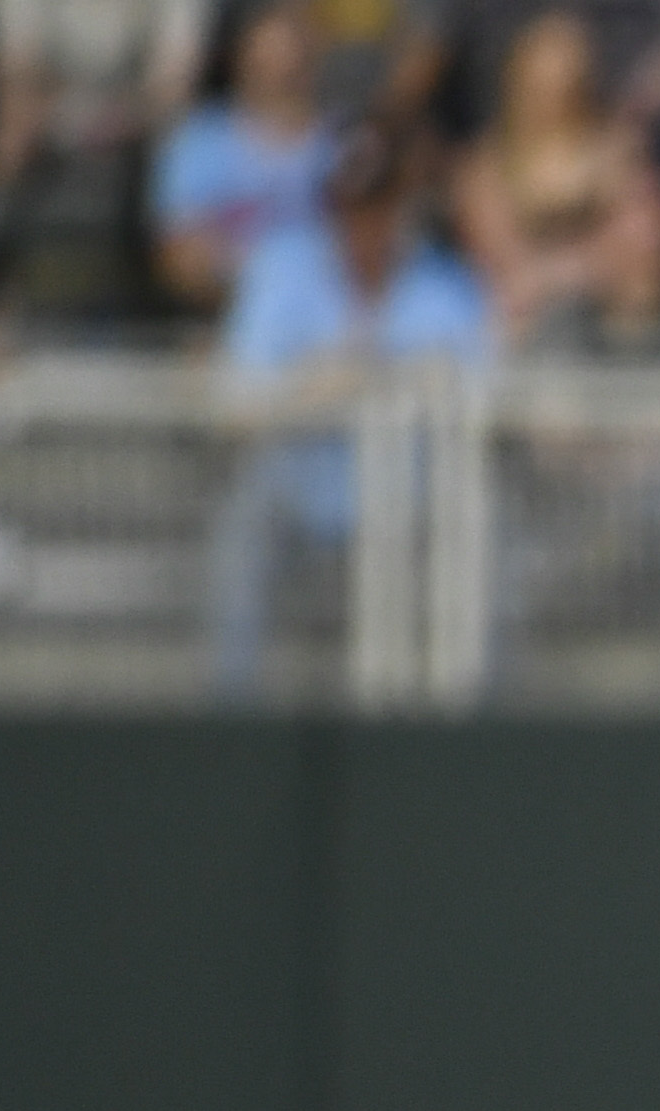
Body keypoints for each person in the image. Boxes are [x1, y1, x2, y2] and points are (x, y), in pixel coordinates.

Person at [207, 127, 497, 693]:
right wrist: (327, 385)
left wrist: (373, 377)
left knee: (486, 526)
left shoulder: (445, 282)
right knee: (244, 522)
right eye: (349, 207)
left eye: (378, 206)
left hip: (417, 504)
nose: (365, 225)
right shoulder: (281, 269)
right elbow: (236, 405)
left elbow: (483, 399)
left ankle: (476, 724)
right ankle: (228, 720)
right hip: (302, 496)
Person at [0, 0, 206, 321]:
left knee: (185, 141)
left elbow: (174, 82)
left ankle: (165, 300)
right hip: (47, 117)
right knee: (9, 130)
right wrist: (71, 119)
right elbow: (18, 72)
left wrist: (120, 118)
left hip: (141, 124)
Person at [452, 8, 660, 342]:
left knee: (641, 293)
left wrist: (563, 272)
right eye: (538, 86)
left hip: (613, 326)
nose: (551, 98)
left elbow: (642, 242)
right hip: (525, 328)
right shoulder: (486, 167)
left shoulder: (619, 151)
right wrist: (589, 262)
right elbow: (504, 265)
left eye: (565, 85)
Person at [151, 3, 339, 314]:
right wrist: (264, 284)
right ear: (242, 52)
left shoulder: (341, 142)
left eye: (297, 39)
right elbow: (179, 259)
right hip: (226, 319)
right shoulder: (199, 141)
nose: (286, 60)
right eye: (273, 42)